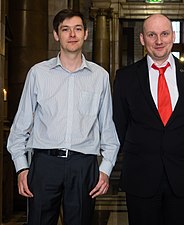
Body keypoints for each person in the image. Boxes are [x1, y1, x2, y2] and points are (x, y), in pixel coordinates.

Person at [7, 9, 120, 225]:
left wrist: (105, 170)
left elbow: (107, 128)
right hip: (44, 165)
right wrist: (21, 167)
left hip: (83, 165)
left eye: (78, 29)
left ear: (86, 34)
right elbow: (20, 125)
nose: (72, 35)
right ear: (56, 35)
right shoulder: (38, 73)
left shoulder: (100, 77)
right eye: (65, 29)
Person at [112, 14, 184, 225]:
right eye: (151, 35)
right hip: (141, 176)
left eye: (164, 34)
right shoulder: (125, 77)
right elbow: (120, 123)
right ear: (142, 39)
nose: (158, 40)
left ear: (173, 36)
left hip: (183, 177)